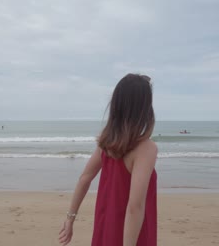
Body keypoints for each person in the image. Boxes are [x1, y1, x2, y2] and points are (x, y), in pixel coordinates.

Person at [58, 74, 157, 246]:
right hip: (133, 236)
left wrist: (70, 218)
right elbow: (135, 207)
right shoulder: (146, 149)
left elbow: (84, 179)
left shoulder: (107, 143)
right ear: (144, 108)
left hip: (106, 228)